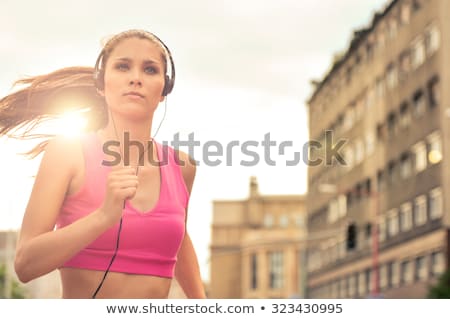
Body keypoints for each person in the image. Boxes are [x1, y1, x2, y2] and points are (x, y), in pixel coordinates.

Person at [0, 29, 206, 299]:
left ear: (164, 90)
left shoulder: (182, 165)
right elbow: (26, 264)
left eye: (150, 70)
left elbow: (179, 240)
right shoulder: (67, 152)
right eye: (122, 66)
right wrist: (103, 217)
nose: (135, 78)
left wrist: (203, 305)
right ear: (101, 83)